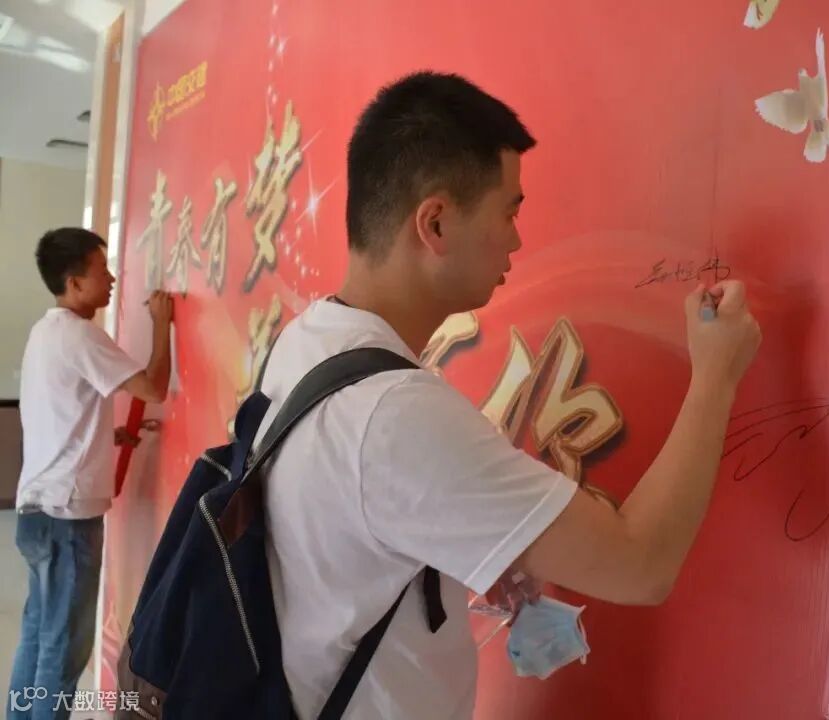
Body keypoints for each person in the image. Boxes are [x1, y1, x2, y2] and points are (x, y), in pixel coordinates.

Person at [256, 71, 761, 719]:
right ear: (436, 222)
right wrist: (717, 375)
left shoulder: (307, 342)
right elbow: (641, 565)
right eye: (509, 210)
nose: (517, 238)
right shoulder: (393, 414)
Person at [9, 228, 173, 720]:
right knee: (62, 653)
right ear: (74, 282)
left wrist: (112, 437)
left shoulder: (46, 332)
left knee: (38, 637)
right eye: (103, 271)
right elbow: (153, 388)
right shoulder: (80, 335)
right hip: (67, 519)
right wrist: (161, 325)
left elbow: (62, 413)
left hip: (37, 511)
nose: (113, 279)